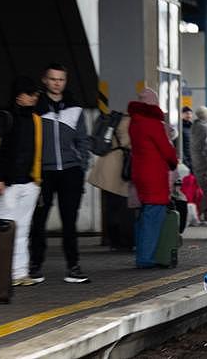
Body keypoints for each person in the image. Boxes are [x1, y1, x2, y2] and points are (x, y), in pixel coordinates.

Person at [30, 63, 90, 284]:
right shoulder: (36, 106)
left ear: (65, 81)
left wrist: (81, 165)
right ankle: (34, 266)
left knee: (69, 222)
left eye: (61, 79)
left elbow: (83, 140)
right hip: (43, 173)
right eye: (53, 79)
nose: (57, 83)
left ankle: (73, 267)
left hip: (70, 171)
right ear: (45, 80)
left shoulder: (75, 108)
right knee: (38, 221)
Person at [0, 76, 43, 286]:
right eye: (31, 94)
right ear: (19, 96)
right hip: (8, 184)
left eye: (36, 95)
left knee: (22, 229)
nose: (34, 98)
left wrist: (37, 181)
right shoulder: (4, 118)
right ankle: (0, 273)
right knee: (3, 229)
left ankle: (19, 273)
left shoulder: (36, 119)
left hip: (29, 183)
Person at [128, 88, 178, 268]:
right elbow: (167, 150)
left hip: (139, 173)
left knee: (143, 217)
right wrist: (173, 161)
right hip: (154, 175)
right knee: (152, 217)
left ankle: (142, 254)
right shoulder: (153, 123)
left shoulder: (134, 122)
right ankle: (145, 258)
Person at [87, 107, 134, 251]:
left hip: (106, 163)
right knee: (124, 207)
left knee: (111, 206)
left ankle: (112, 240)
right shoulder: (129, 121)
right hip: (120, 165)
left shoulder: (112, 118)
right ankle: (124, 242)